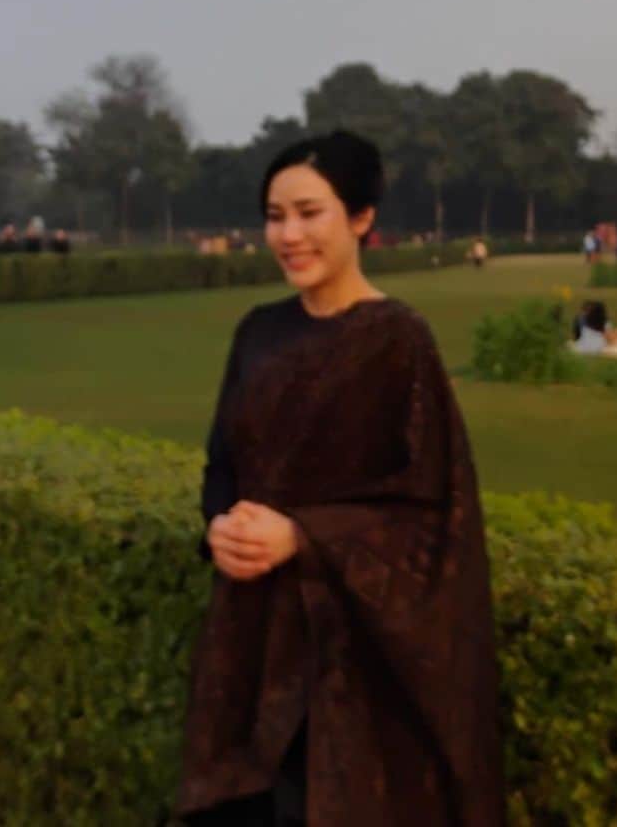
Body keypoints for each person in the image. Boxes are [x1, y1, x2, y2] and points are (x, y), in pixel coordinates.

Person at [179, 131, 505, 827]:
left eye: (309, 212)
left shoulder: (396, 342)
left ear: (361, 219)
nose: (288, 234)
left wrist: (302, 536)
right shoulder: (259, 334)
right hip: (252, 637)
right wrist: (218, 528)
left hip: (351, 660)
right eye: (274, 216)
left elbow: (431, 515)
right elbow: (223, 466)